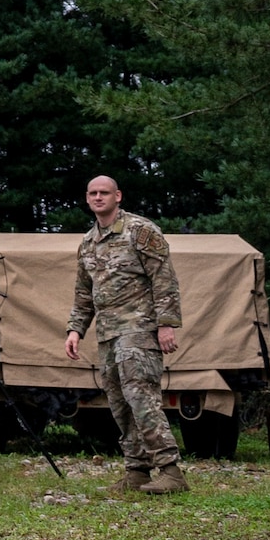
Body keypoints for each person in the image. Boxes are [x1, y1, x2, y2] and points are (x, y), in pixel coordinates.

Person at [65, 175, 186, 495]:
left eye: (104, 192)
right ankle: (137, 471)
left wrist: (166, 324)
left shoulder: (140, 231)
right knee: (119, 403)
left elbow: (164, 279)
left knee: (141, 397)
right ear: (87, 199)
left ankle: (171, 471)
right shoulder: (89, 241)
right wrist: (76, 329)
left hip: (139, 329)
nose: (98, 197)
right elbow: (84, 293)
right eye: (92, 193)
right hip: (108, 333)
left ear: (118, 196)